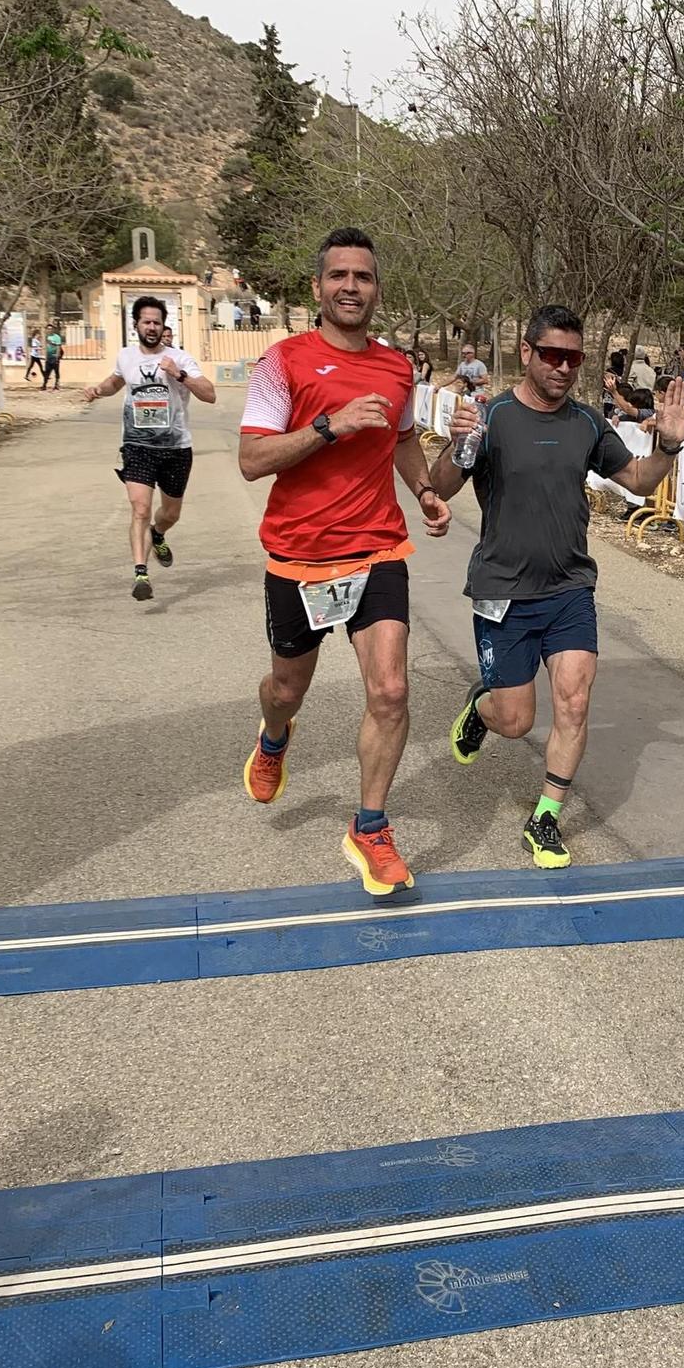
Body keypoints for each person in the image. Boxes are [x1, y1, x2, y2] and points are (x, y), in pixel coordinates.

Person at [430, 305, 684, 869]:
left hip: (570, 588)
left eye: (573, 358)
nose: (564, 367)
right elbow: (439, 487)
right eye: (552, 355)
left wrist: (668, 448)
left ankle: (545, 816)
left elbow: (639, 482)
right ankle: (483, 707)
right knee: (517, 718)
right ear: (527, 353)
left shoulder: (587, 425)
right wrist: (456, 443)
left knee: (574, 701)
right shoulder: (492, 416)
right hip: (503, 589)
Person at [237, 227, 452, 899]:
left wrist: (422, 490)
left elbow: (404, 438)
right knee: (286, 688)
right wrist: (329, 425)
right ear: (318, 288)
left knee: (390, 690)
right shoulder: (283, 362)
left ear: (377, 291)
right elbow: (251, 460)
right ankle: (274, 738)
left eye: (363, 277)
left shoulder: (396, 368)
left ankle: (371, 827)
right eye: (339, 276)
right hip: (298, 556)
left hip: (377, 547)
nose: (351, 287)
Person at [81, 296, 218, 601]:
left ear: (163, 326)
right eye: (146, 321)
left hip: (175, 447)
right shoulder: (126, 356)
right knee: (140, 507)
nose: (152, 327)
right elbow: (115, 382)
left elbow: (210, 394)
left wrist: (178, 374)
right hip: (137, 444)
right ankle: (141, 572)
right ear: (136, 325)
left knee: (170, 513)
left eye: (157, 322)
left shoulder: (179, 358)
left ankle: (159, 533)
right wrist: (97, 391)